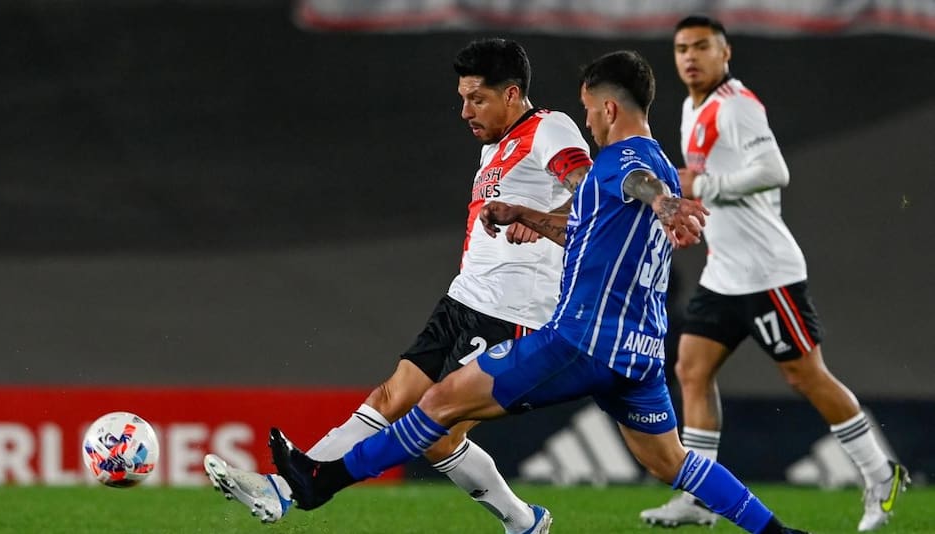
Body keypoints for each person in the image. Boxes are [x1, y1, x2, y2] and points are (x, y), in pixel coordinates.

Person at [265, 49, 810, 534]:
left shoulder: (625, 162)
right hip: (639, 351)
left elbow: (635, 184)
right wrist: (523, 212)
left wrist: (664, 204)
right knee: (672, 462)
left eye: (591, 109)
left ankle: (320, 480)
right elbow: (587, 229)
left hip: (579, 342)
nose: (588, 121)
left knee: (438, 402)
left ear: (610, 109)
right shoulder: (661, 161)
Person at [203, 38, 592, 534]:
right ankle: (283, 491)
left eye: (477, 98)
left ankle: (308, 486)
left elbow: (593, 190)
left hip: (512, 312)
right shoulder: (497, 145)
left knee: (437, 429)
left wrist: (540, 216)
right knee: (393, 400)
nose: (464, 110)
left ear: (513, 93)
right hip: (465, 298)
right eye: (461, 98)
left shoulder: (549, 128)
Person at [638, 15, 909, 532]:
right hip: (724, 273)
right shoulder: (694, 106)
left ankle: (881, 473)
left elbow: (774, 172)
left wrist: (704, 186)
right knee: (691, 370)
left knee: (804, 375)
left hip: (767, 272)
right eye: (681, 49)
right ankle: (700, 497)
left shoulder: (737, 105)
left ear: (726, 53)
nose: (690, 57)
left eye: (701, 47)